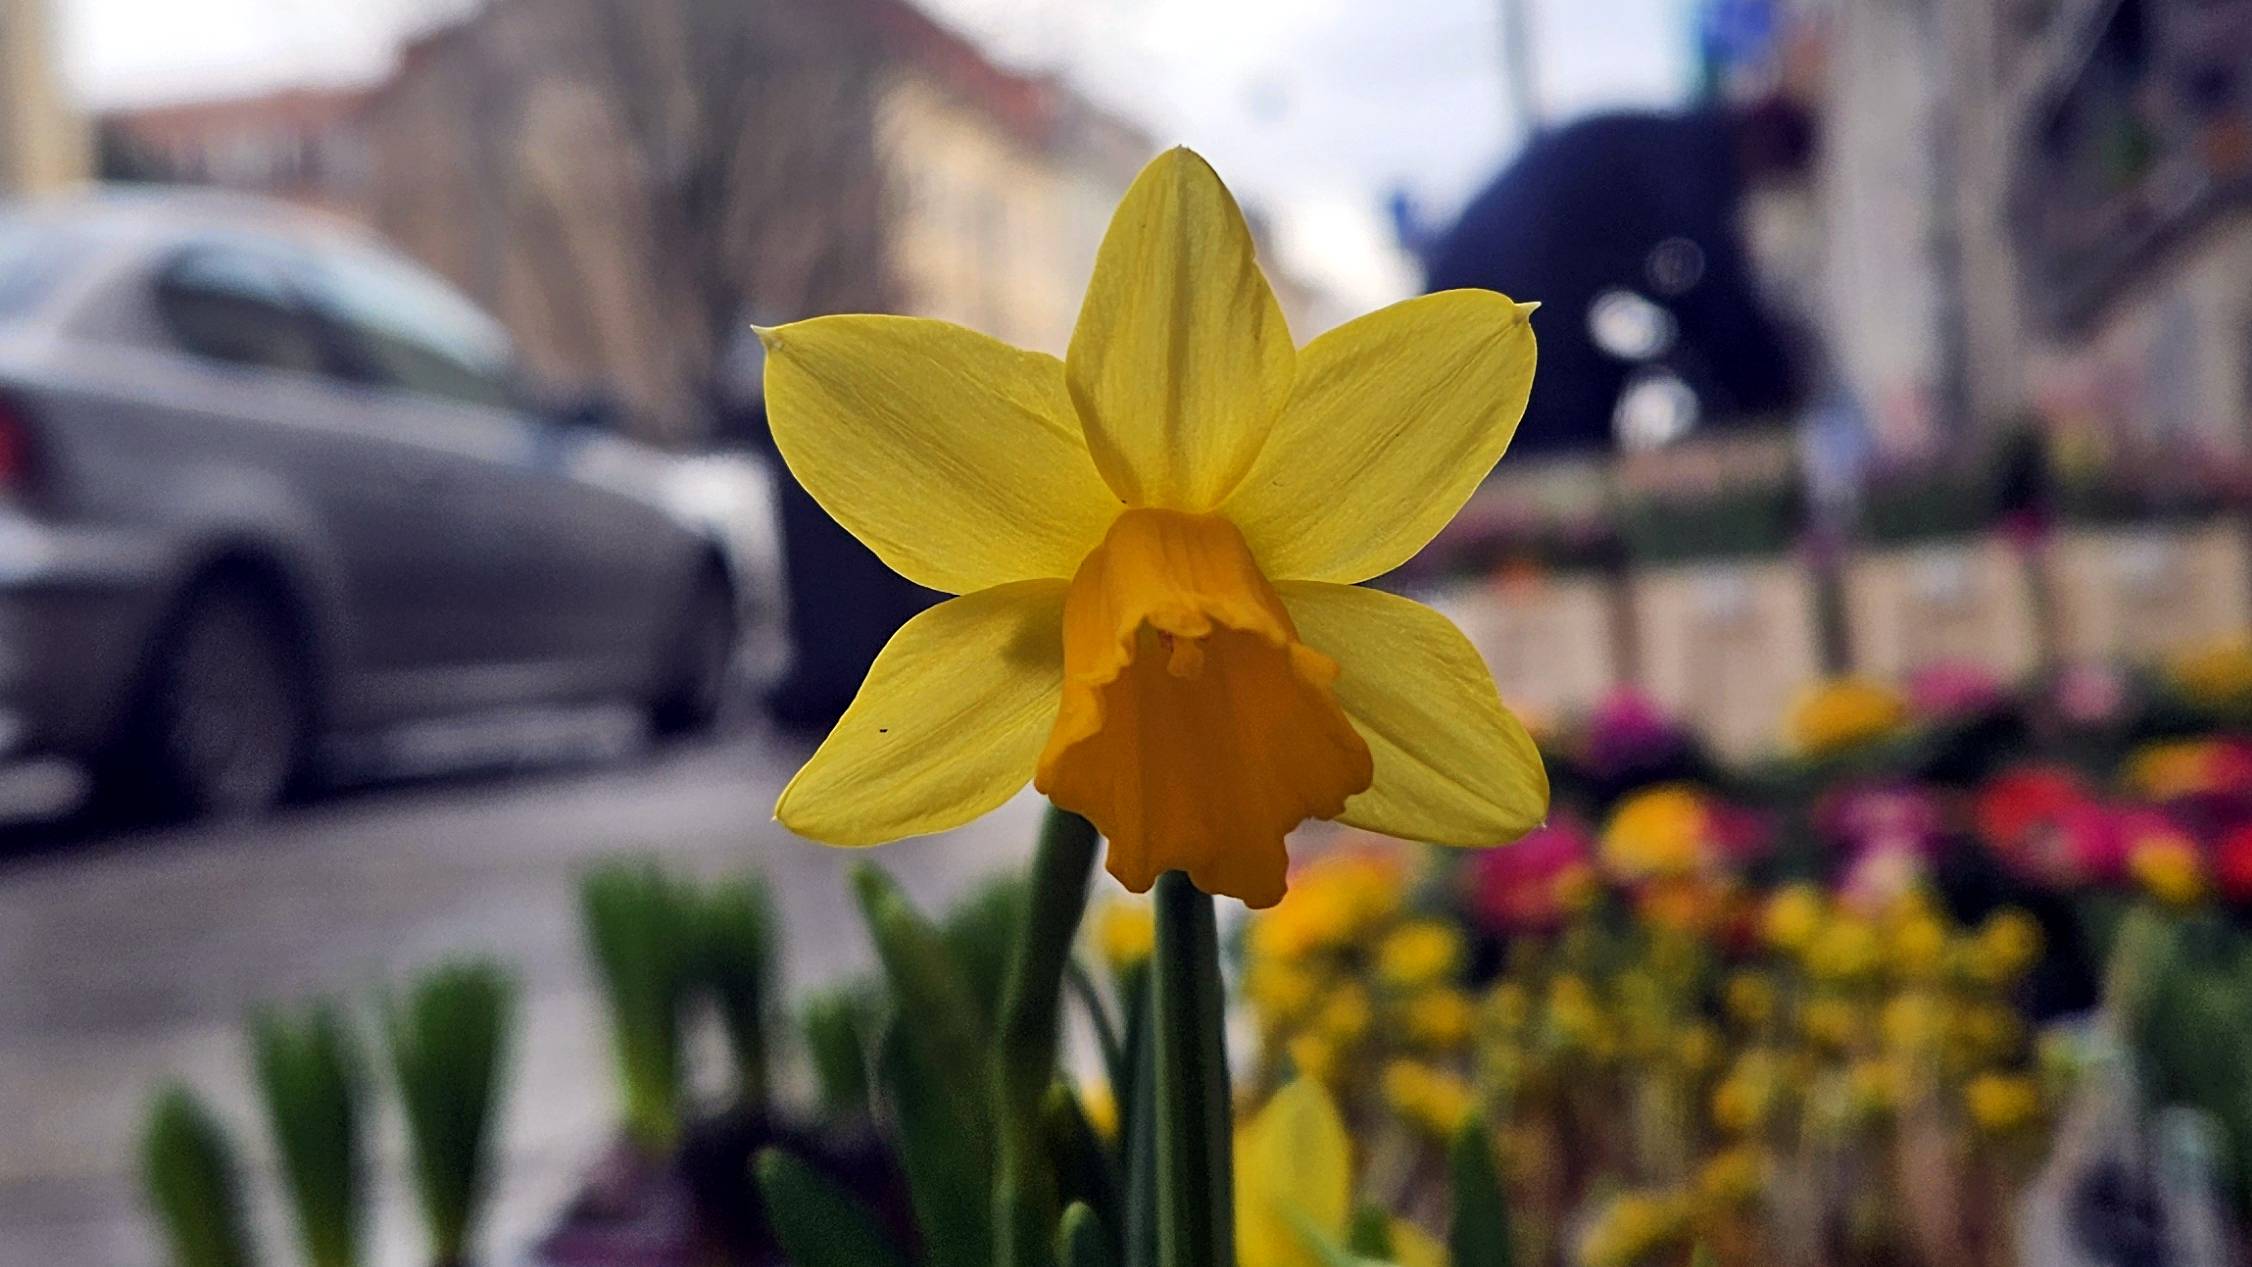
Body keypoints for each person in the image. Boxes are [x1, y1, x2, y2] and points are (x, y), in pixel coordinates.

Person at [1425, 97, 1816, 454]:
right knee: (1563, 419)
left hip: (1492, 279)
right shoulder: (1691, 164)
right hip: (1498, 287)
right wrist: (1778, 384)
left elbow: (1698, 296)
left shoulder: (1670, 143)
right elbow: (1717, 295)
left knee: (1581, 403)